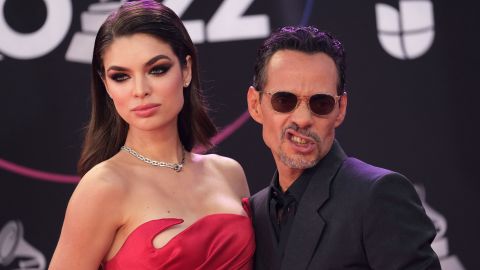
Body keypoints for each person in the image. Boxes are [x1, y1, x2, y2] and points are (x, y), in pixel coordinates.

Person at [49, 1, 254, 269]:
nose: (140, 90)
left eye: (157, 69)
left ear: (186, 70)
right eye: (121, 76)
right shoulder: (103, 187)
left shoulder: (229, 174)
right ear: (106, 86)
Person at [247, 26, 440, 270]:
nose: (303, 118)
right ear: (255, 105)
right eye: (285, 100)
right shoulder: (254, 212)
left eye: (321, 102)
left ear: (341, 108)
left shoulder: (378, 196)